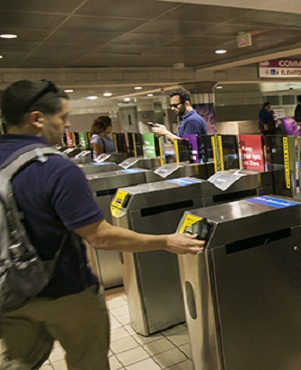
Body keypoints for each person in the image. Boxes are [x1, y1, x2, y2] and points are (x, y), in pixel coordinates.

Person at [0, 80, 205, 370]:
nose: (66, 125)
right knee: (89, 362)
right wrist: (165, 241)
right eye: (61, 118)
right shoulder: (55, 168)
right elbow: (100, 237)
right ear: (37, 119)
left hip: (9, 294)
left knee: (20, 363)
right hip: (66, 291)